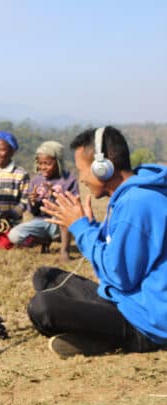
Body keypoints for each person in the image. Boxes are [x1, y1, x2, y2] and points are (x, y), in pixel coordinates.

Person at [28, 126, 167, 358]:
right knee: (45, 277)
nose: (81, 178)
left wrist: (81, 229)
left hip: (147, 320)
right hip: (129, 300)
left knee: (41, 307)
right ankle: (97, 335)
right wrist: (92, 229)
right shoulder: (129, 196)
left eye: (83, 170)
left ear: (104, 167)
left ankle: (125, 341)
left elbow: (119, 276)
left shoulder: (138, 203)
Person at [8, 141, 79, 260]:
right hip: (40, 221)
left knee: (64, 219)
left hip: (60, 222)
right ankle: (43, 240)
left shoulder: (69, 179)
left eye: (47, 163)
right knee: (14, 235)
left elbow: (73, 206)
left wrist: (56, 195)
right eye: (40, 163)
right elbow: (34, 212)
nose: (43, 167)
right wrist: (33, 201)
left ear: (58, 162)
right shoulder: (36, 181)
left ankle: (64, 250)